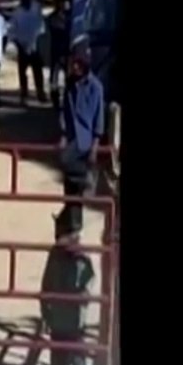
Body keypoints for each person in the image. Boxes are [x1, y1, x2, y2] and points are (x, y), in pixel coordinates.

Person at [40, 205, 96, 365]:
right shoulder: (70, 256)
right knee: (65, 359)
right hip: (64, 318)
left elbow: (85, 287)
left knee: (73, 360)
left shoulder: (77, 257)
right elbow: (47, 285)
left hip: (69, 319)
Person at [58, 50, 105, 230]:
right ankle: (74, 224)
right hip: (71, 137)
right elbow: (64, 112)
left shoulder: (95, 87)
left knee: (64, 161)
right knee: (70, 189)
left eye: (78, 64)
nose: (74, 67)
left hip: (84, 139)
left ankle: (86, 176)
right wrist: (63, 134)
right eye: (73, 64)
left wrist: (95, 146)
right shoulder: (70, 84)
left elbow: (99, 119)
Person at [8, 0, 47, 105]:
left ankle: (40, 92)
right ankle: (24, 95)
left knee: (37, 71)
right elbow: (12, 32)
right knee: (22, 73)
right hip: (22, 47)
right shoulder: (17, 13)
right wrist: (20, 44)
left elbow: (41, 27)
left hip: (34, 46)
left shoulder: (36, 8)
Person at [46, 0, 71, 112]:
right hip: (59, 52)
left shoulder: (66, 17)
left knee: (64, 78)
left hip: (64, 52)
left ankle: (63, 101)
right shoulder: (55, 18)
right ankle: (56, 101)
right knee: (54, 80)